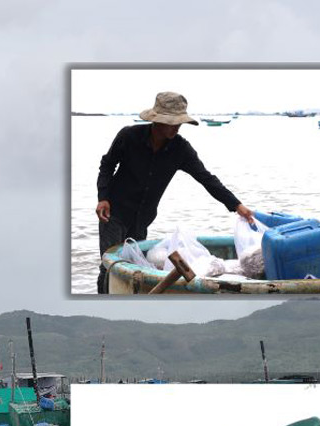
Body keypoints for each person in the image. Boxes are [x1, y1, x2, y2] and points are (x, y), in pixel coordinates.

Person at [94, 91, 255, 293]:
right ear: (157, 120)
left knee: (135, 265)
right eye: (171, 122)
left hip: (142, 217)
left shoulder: (181, 149)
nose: (176, 127)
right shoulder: (129, 136)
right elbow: (107, 165)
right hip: (114, 213)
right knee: (109, 266)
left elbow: (207, 179)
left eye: (179, 123)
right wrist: (103, 198)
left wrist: (237, 205)